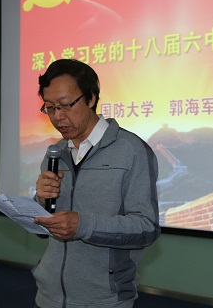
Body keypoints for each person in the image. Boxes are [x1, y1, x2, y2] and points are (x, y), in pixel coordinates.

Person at [32, 58, 160, 308]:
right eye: (50, 108)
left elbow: (146, 228)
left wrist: (83, 225)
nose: (58, 117)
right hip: (47, 297)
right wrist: (40, 202)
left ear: (90, 98)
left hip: (103, 299)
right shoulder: (55, 153)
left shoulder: (131, 151)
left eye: (66, 105)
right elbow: (43, 230)